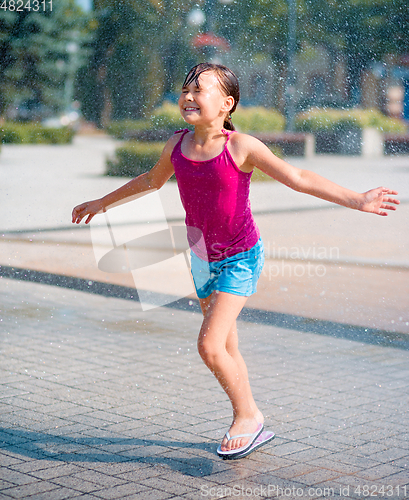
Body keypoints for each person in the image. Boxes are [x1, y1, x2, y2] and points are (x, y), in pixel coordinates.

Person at [72, 62, 400, 460]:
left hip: (240, 257)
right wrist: (102, 203)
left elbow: (297, 176)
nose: (189, 97)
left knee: (209, 346)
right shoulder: (177, 144)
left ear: (227, 104)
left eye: (200, 90)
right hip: (199, 255)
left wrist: (357, 200)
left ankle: (248, 417)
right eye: (185, 90)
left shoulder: (240, 147)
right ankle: (248, 415)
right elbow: (150, 181)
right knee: (226, 344)